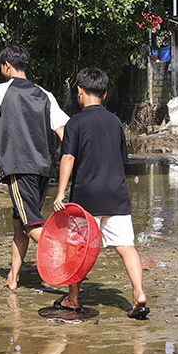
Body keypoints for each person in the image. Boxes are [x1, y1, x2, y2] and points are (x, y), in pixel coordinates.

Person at [0, 44, 69, 290]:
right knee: (20, 223)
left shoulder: (0, 91)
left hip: (19, 167)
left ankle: (65, 255)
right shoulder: (45, 94)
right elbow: (63, 132)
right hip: (42, 168)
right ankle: (13, 278)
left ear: (7, 66)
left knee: (30, 224)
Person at [52, 68, 149, 320]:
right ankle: (138, 293)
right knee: (126, 247)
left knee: (76, 249)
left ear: (79, 92)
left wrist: (60, 192)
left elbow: (68, 157)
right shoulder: (116, 122)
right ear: (105, 94)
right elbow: (122, 159)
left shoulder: (75, 122)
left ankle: (73, 299)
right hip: (117, 195)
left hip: (87, 198)